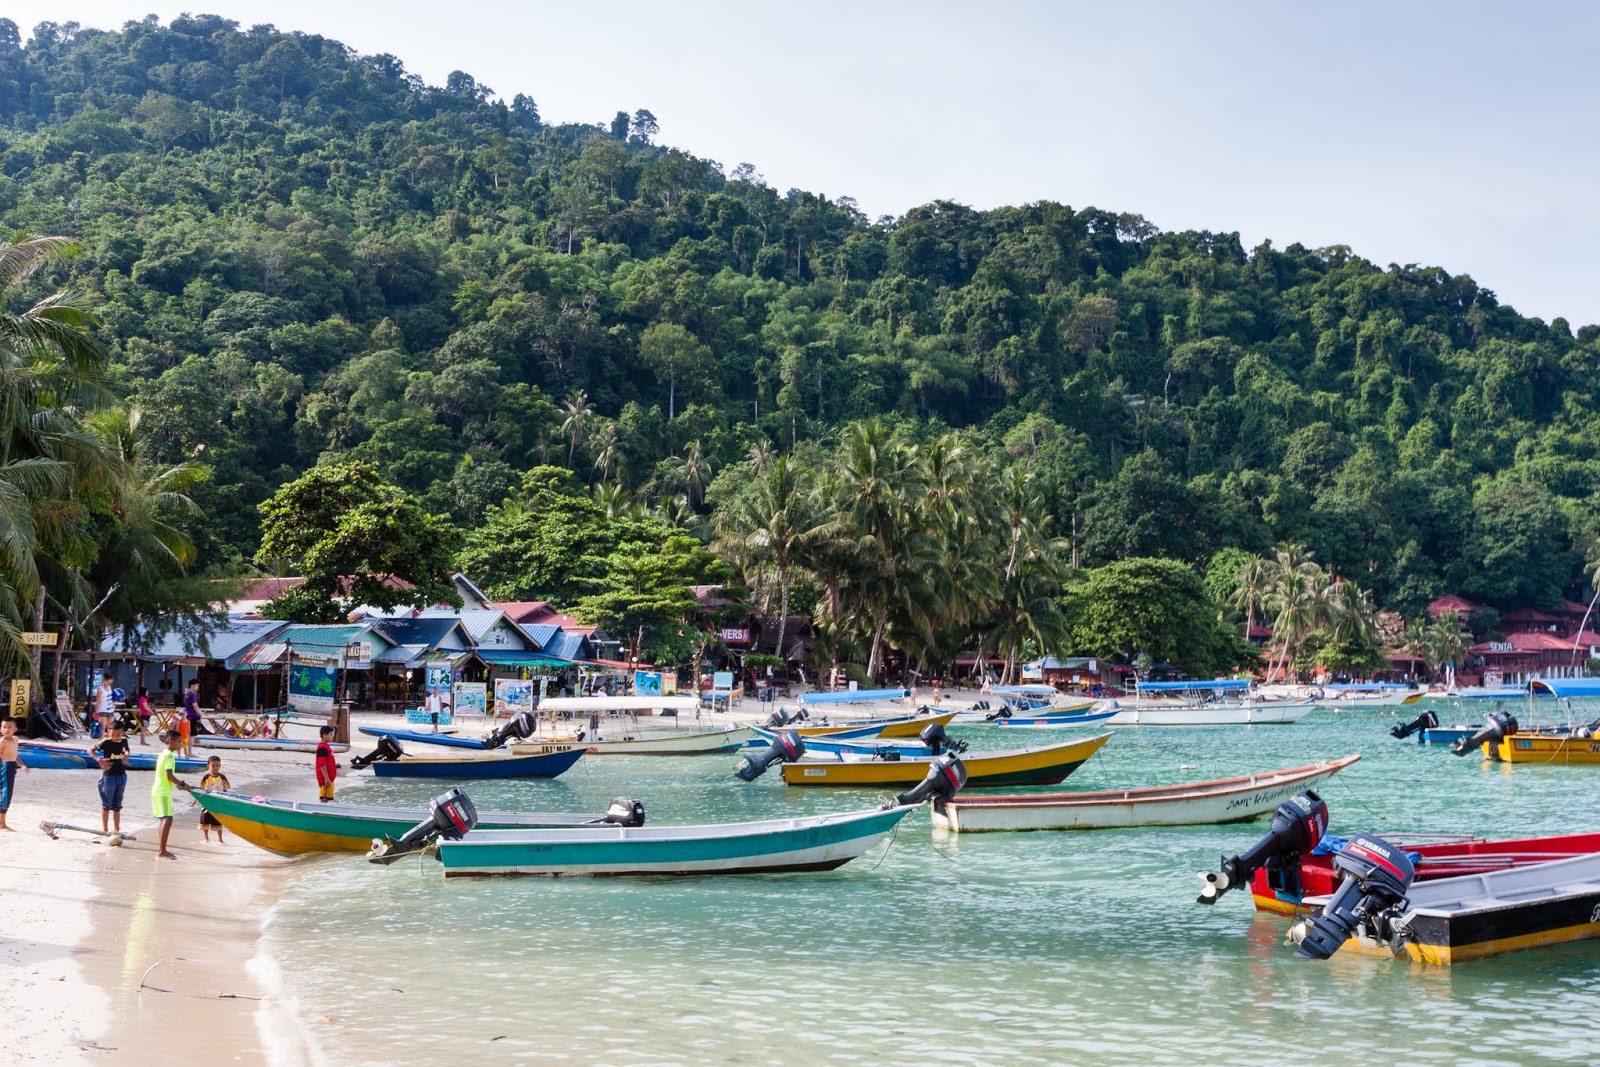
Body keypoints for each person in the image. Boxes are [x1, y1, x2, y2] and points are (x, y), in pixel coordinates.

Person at [152, 729, 193, 859]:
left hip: (159, 790)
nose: (181, 743)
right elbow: (169, 775)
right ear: (171, 742)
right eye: (179, 741)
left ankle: (162, 849)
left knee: (164, 819)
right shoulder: (169, 755)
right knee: (167, 819)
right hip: (163, 792)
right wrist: (182, 784)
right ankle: (161, 851)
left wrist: (180, 784)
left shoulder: (163, 753)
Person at [93, 721, 130, 834]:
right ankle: (105, 830)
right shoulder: (105, 742)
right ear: (108, 732)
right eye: (112, 734)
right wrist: (99, 760)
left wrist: (127, 755)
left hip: (121, 776)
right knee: (106, 806)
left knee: (117, 806)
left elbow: (127, 750)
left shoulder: (124, 740)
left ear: (122, 733)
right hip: (108, 778)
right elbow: (90, 750)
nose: (115, 737)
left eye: (118, 735)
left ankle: (116, 829)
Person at [0, 718, 28, 831]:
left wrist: (22, 765)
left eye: (9, 727)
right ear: (1, 729)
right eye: (4, 727)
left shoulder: (16, 739)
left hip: (12, 767)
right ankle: (2, 824)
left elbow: (15, 755)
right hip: (5, 767)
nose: (7, 730)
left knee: (8, 793)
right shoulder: (2, 742)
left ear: (15, 729)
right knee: (6, 794)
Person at [197, 756, 230, 843]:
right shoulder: (206, 777)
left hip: (218, 803)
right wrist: (196, 799)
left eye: (217, 765)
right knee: (205, 820)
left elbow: (225, 790)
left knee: (218, 820)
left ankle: (220, 839)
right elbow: (200, 789)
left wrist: (225, 801)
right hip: (207, 803)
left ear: (220, 766)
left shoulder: (222, 777)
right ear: (208, 766)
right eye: (213, 766)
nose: (215, 768)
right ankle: (206, 838)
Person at [314, 725, 337, 803]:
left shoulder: (326, 747)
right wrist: (326, 778)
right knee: (324, 798)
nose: (332, 737)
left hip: (330, 778)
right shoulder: (322, 748)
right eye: (330, 735)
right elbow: (322, 764)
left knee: (327, 798)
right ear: (324, 735)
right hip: (325, 779)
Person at [180, 679, 201, 757]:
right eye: (196, 686)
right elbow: (195, 706)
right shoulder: (192, 694)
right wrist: (200, 714)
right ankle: (190, 752)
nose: (197, 687)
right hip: (192, 716)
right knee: (192, 734)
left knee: (188, 734)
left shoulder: (186, 694)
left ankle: (187, 751)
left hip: (187, 716)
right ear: (192, 685)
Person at [95, 674, 116, 738]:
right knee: (103, 727)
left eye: (111, 683)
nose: (109, 684)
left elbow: (110, 697)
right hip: (102, 709)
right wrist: (96, 711)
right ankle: (101, 741)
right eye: (108, 682)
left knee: (110, 727)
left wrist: (113, 704)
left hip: (110, 708)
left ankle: (109, 740)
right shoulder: (100, 688)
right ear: (104, 680)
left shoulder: (109, 687)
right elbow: (98, 701)